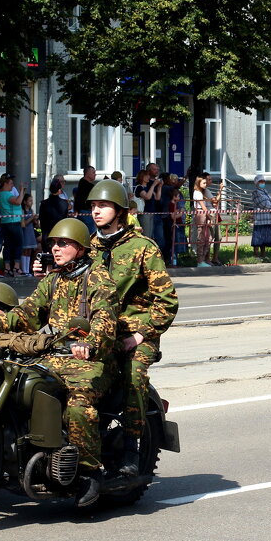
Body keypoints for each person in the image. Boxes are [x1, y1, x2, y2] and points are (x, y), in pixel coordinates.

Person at [0, 218, 118, 506]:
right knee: (13, 383)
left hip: (91, 360)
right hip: (53, 355)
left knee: (79, 406)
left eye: (63, 243)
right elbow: (28, 312)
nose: (55, 248)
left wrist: (90, 344)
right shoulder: (54, 279)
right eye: (53, 243)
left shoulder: (98, 278)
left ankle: (89, 472)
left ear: (80, 248)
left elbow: (105, 319)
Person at [85, 180, 179, 479]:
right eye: (93, 206)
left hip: (136, 332)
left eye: (103, 206)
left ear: (120, 211)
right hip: (96, 331)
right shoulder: (90, 247)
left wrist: (140, 335)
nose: (96, 211)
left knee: (133, 375)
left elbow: (166, 301)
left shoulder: (143, 248)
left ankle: (130, 444)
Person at [0, 174, 23, 276]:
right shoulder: (7, 194)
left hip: (5, 222)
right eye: (11, 183)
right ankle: (16, 267)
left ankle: (7, 268)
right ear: (5, 183)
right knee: (18, 244)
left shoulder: (0, 194)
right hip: (13, 222)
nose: (13, 185)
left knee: (7, 245)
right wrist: (21, 191)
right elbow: (18, 202)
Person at [250, 174, 271, 260]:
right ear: (256, 183)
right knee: (258, 237)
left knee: (265, 237)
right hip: (260, 219)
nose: (262, 183)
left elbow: (270, 202)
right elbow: (263, 203)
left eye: (263, 181)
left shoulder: (265, 191)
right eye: (260, 181)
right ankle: (256, 254)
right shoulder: (256, 192)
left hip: (267, 218)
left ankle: (263, 254)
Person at [39, 178, 69, 244]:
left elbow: (41, 221)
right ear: (59, 190)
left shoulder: (44, 203)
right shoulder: (65, 203)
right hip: (61, 233)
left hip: (47, 235)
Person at [74, 165, 98, 235]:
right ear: (87, 174)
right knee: (90, 235)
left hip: (84, 212)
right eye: (93, 173)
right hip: (86, 213)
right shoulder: (87, 186)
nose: (95, 174)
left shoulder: (83, 183)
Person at [20, 192, 39, 274]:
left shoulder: (31, 210)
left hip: (31, 232)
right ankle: (24, 269)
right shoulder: (22, 211)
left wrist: (35, 220)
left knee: (29, 251)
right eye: (30, 201)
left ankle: (27, 270)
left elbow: (36, 225)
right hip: (25, 233)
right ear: (25, 202)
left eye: (32, 201)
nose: (31, 202)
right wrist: (32, 218)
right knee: (25, 250)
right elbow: (24, 224)